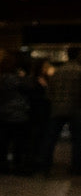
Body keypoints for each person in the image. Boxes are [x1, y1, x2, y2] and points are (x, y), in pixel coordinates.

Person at [39, 46, 81, 174]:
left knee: (51, 138)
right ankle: (76, 166)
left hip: (57, 108)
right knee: (77, 140)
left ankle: (45, 165)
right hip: (75, 109)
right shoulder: (79, 71)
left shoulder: (58, 71)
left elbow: (49, 92)